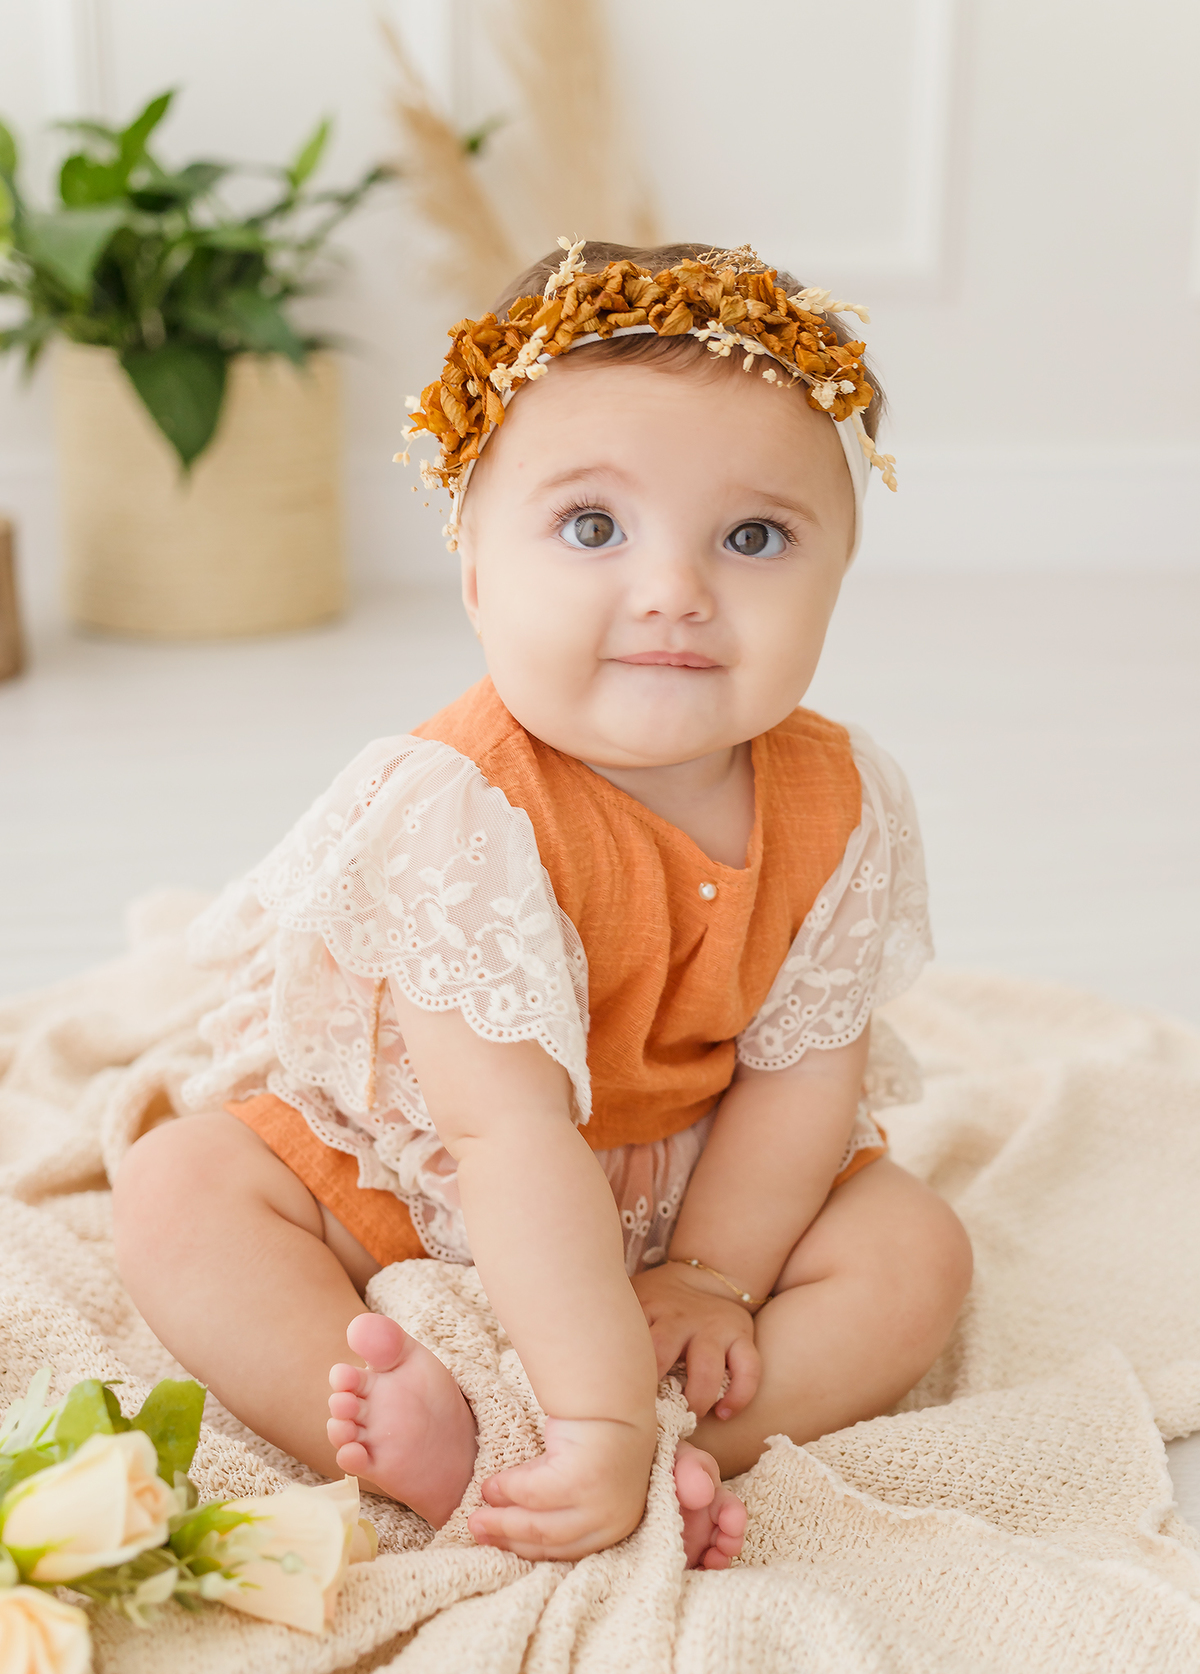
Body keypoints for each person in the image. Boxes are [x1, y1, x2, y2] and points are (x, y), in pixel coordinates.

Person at [113, 240, 973, 1572]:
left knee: (918, 1255)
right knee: (181, 1194)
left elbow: (803, 1076)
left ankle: (691, 1448)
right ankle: (475, 1450)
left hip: (697, 1172)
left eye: (753, 537)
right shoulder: (456, 808)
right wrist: (590, 1413)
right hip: (435, 1168)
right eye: (592, 527)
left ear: (839, 570)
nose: (675, 590)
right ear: (474, 571)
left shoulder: (843, 798)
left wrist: (714, 1275)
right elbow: (500, 1131)